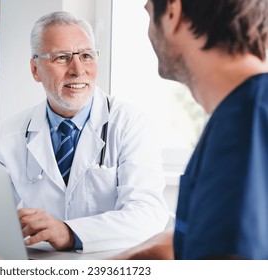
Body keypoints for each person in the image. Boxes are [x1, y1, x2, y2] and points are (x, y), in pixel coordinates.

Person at [0, 10, 168, 253]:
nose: (78, 70)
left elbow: (148, 216)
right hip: (40, 265)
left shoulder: (130, 124)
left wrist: (69, 232)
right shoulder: (12, 133)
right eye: (62, 57)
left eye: (87, 56)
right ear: (35, 69)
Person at [113, 0, 268, 260]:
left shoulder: (244, 123)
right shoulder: (246, 110)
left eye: (149, 13)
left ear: (173, 12)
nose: (149, 32)